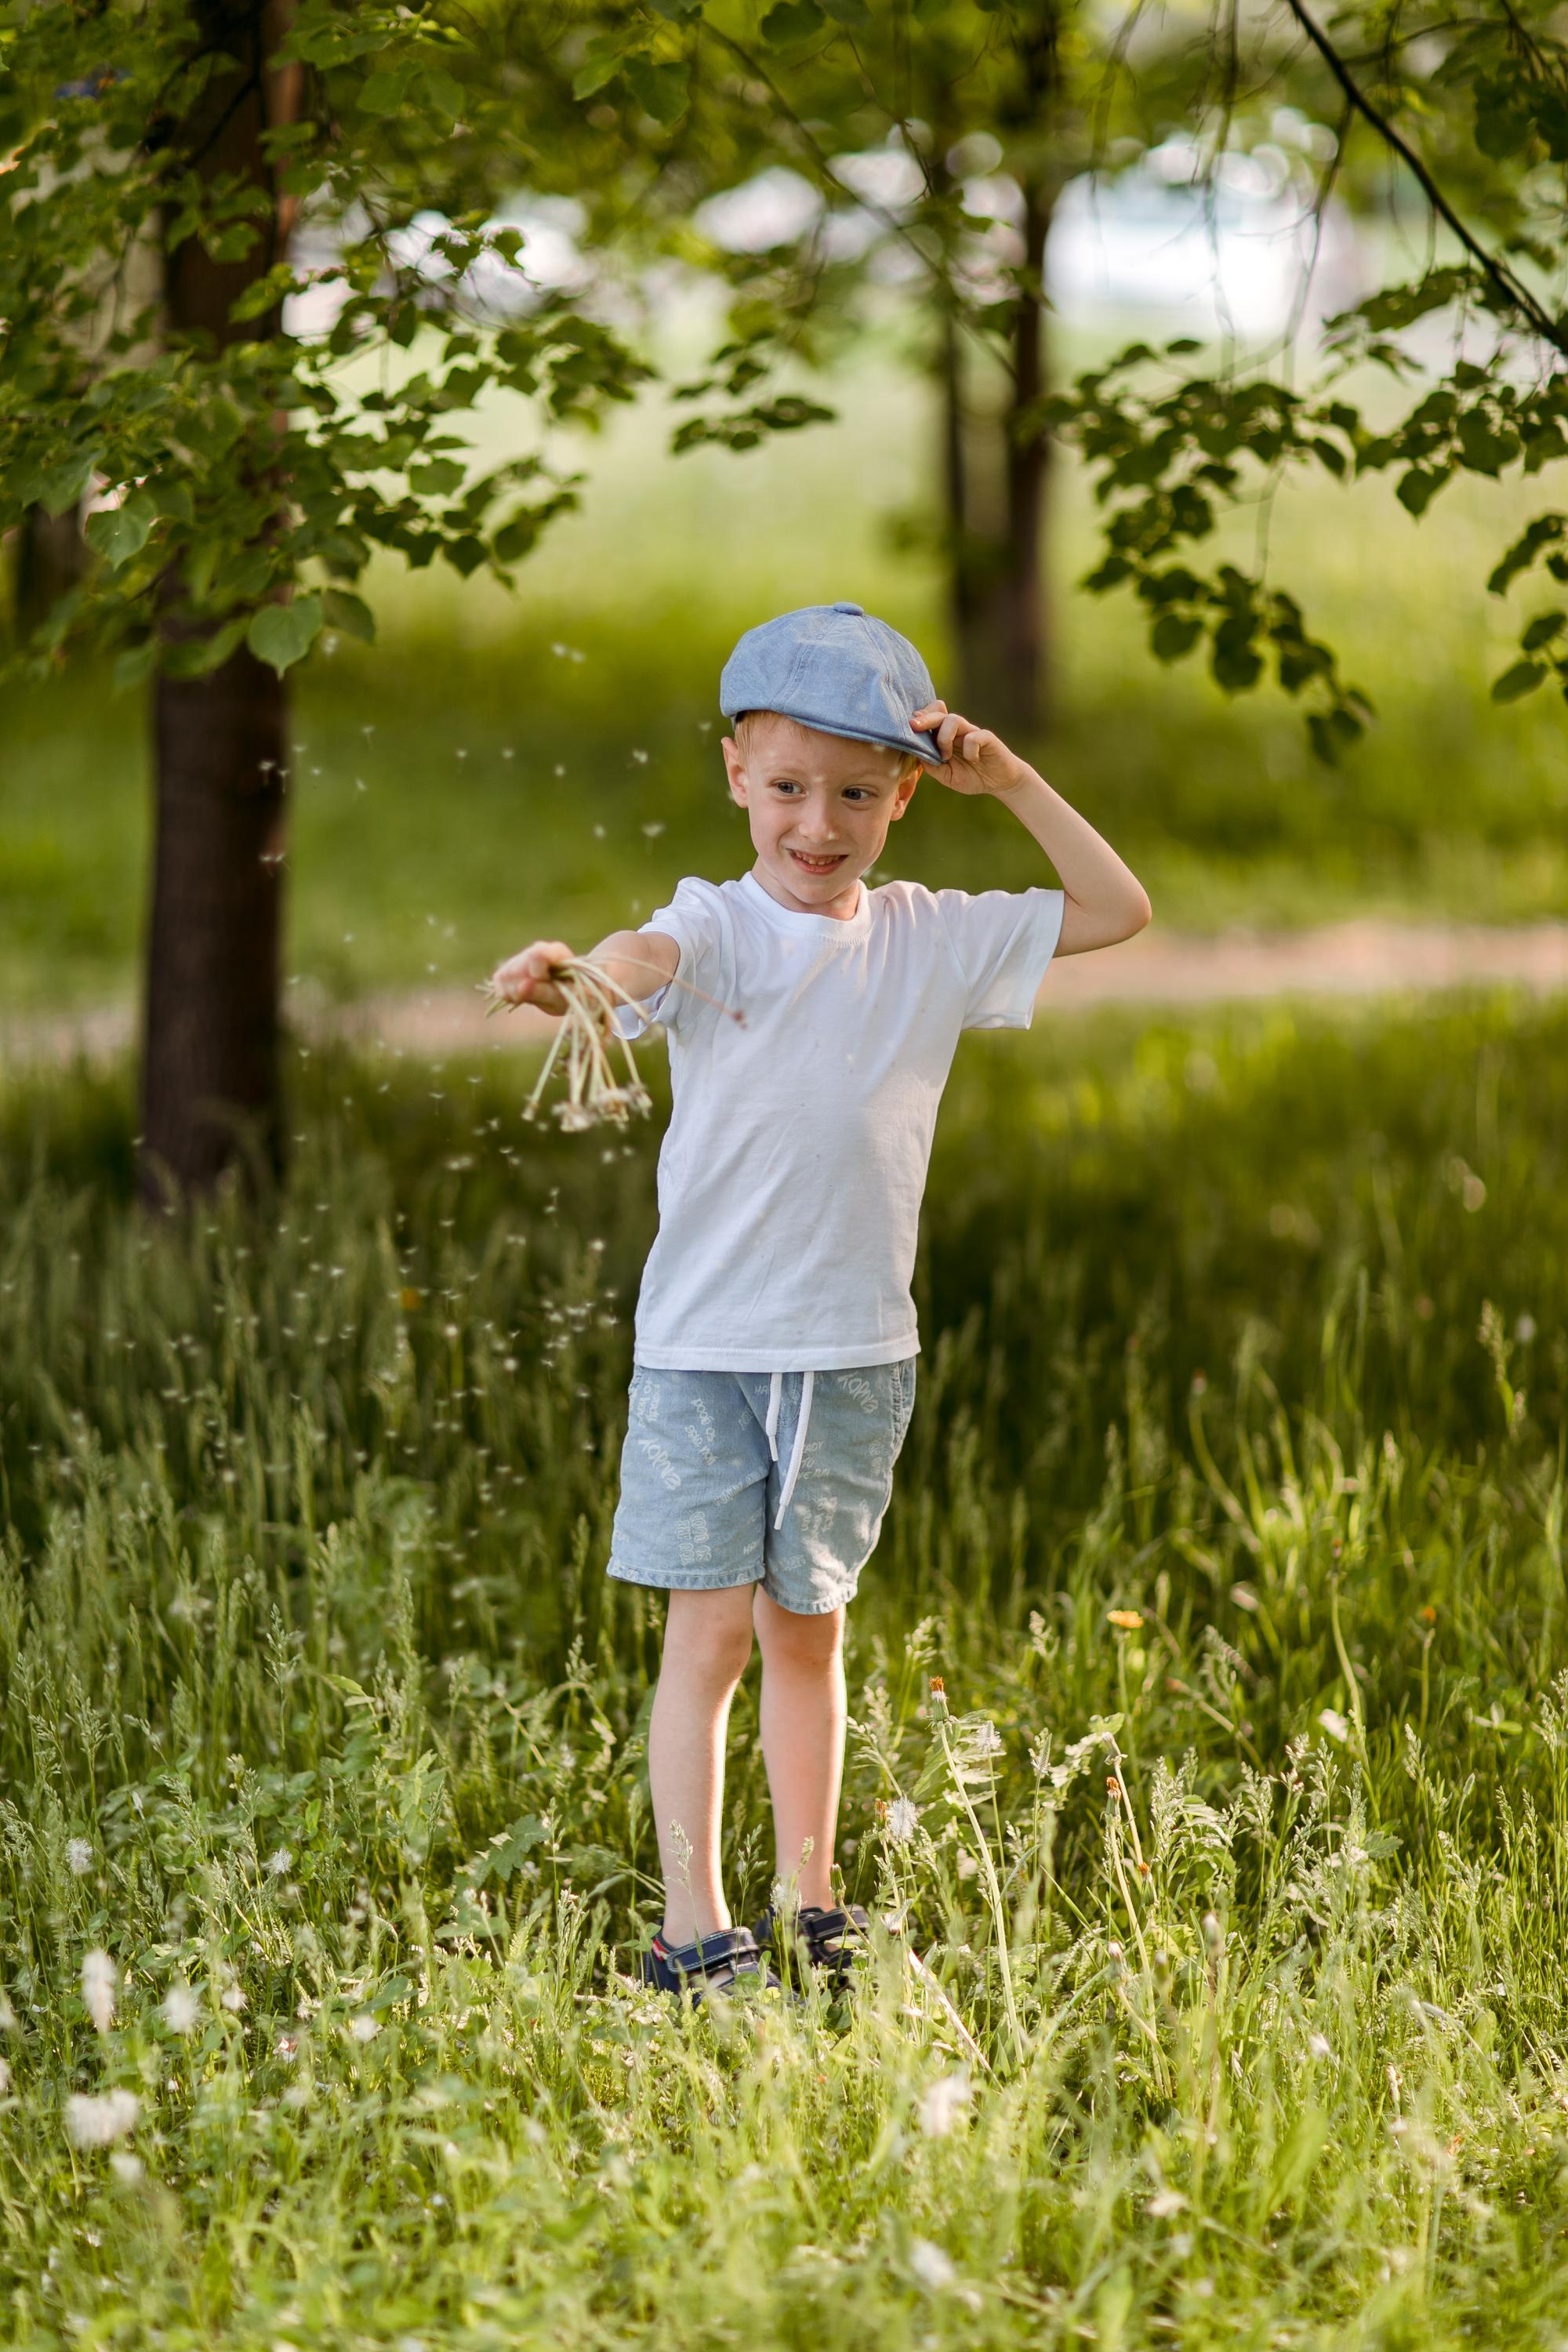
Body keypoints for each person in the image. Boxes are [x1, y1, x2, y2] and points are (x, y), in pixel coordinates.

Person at [489, 601, 1150, 1999]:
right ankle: (692, 1931)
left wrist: (1014, 779)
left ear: (908, 793)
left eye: (856, 792)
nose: (817, 824)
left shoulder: (928, 938)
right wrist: (581, 979)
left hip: (853, 1354)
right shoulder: (715, 928)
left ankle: (813, 1904)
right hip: (706, 1354)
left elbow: (1117, 908)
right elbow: (644, 961)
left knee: (810, 1633)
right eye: (788, 787)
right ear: (737, 772)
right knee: (710, 1635)